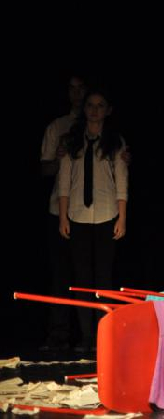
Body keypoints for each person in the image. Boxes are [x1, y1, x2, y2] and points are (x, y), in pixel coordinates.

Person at [57, 86, 128, 354]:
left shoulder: (115, 142)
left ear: (107, 110)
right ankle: (87, 335)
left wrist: (122, 217)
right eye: (90, 105)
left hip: (106, 214)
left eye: (100, 106)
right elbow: (65, 182)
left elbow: (121, 182)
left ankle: (104, 333)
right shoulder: (72, 141)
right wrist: (63, 216)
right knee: (82, 278)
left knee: (104, 278)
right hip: (78, 215)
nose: (94, 110)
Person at [38, 75, 86, 351]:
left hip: (91, 212)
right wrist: (57, 158)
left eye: (81, 88)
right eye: (72, 88)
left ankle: (89, 335)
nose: (77, 94)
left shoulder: (101, 128)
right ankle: (59, 334)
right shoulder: (58, 126)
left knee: (88, 276)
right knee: (61, 275)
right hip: (61, 209)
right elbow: (45, 168)